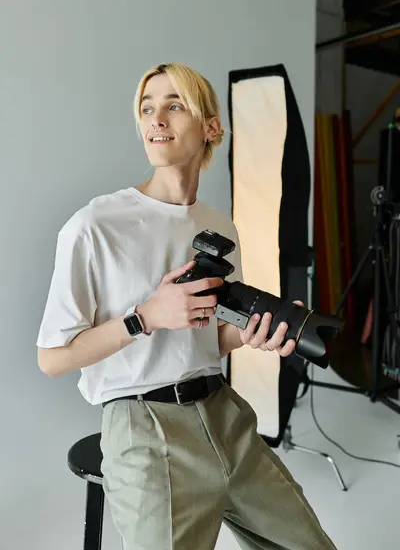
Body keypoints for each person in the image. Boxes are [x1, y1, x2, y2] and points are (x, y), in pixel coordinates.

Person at [37, 63, 337, 550]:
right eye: (147, 108)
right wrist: (144, 317)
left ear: (211, 127)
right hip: (144, 429)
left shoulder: (218, 225)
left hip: (224, 414)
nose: (157, 119)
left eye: (175, 106)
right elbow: (52, 358)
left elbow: (206, 337)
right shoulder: (95, 225)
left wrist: (251, 334)